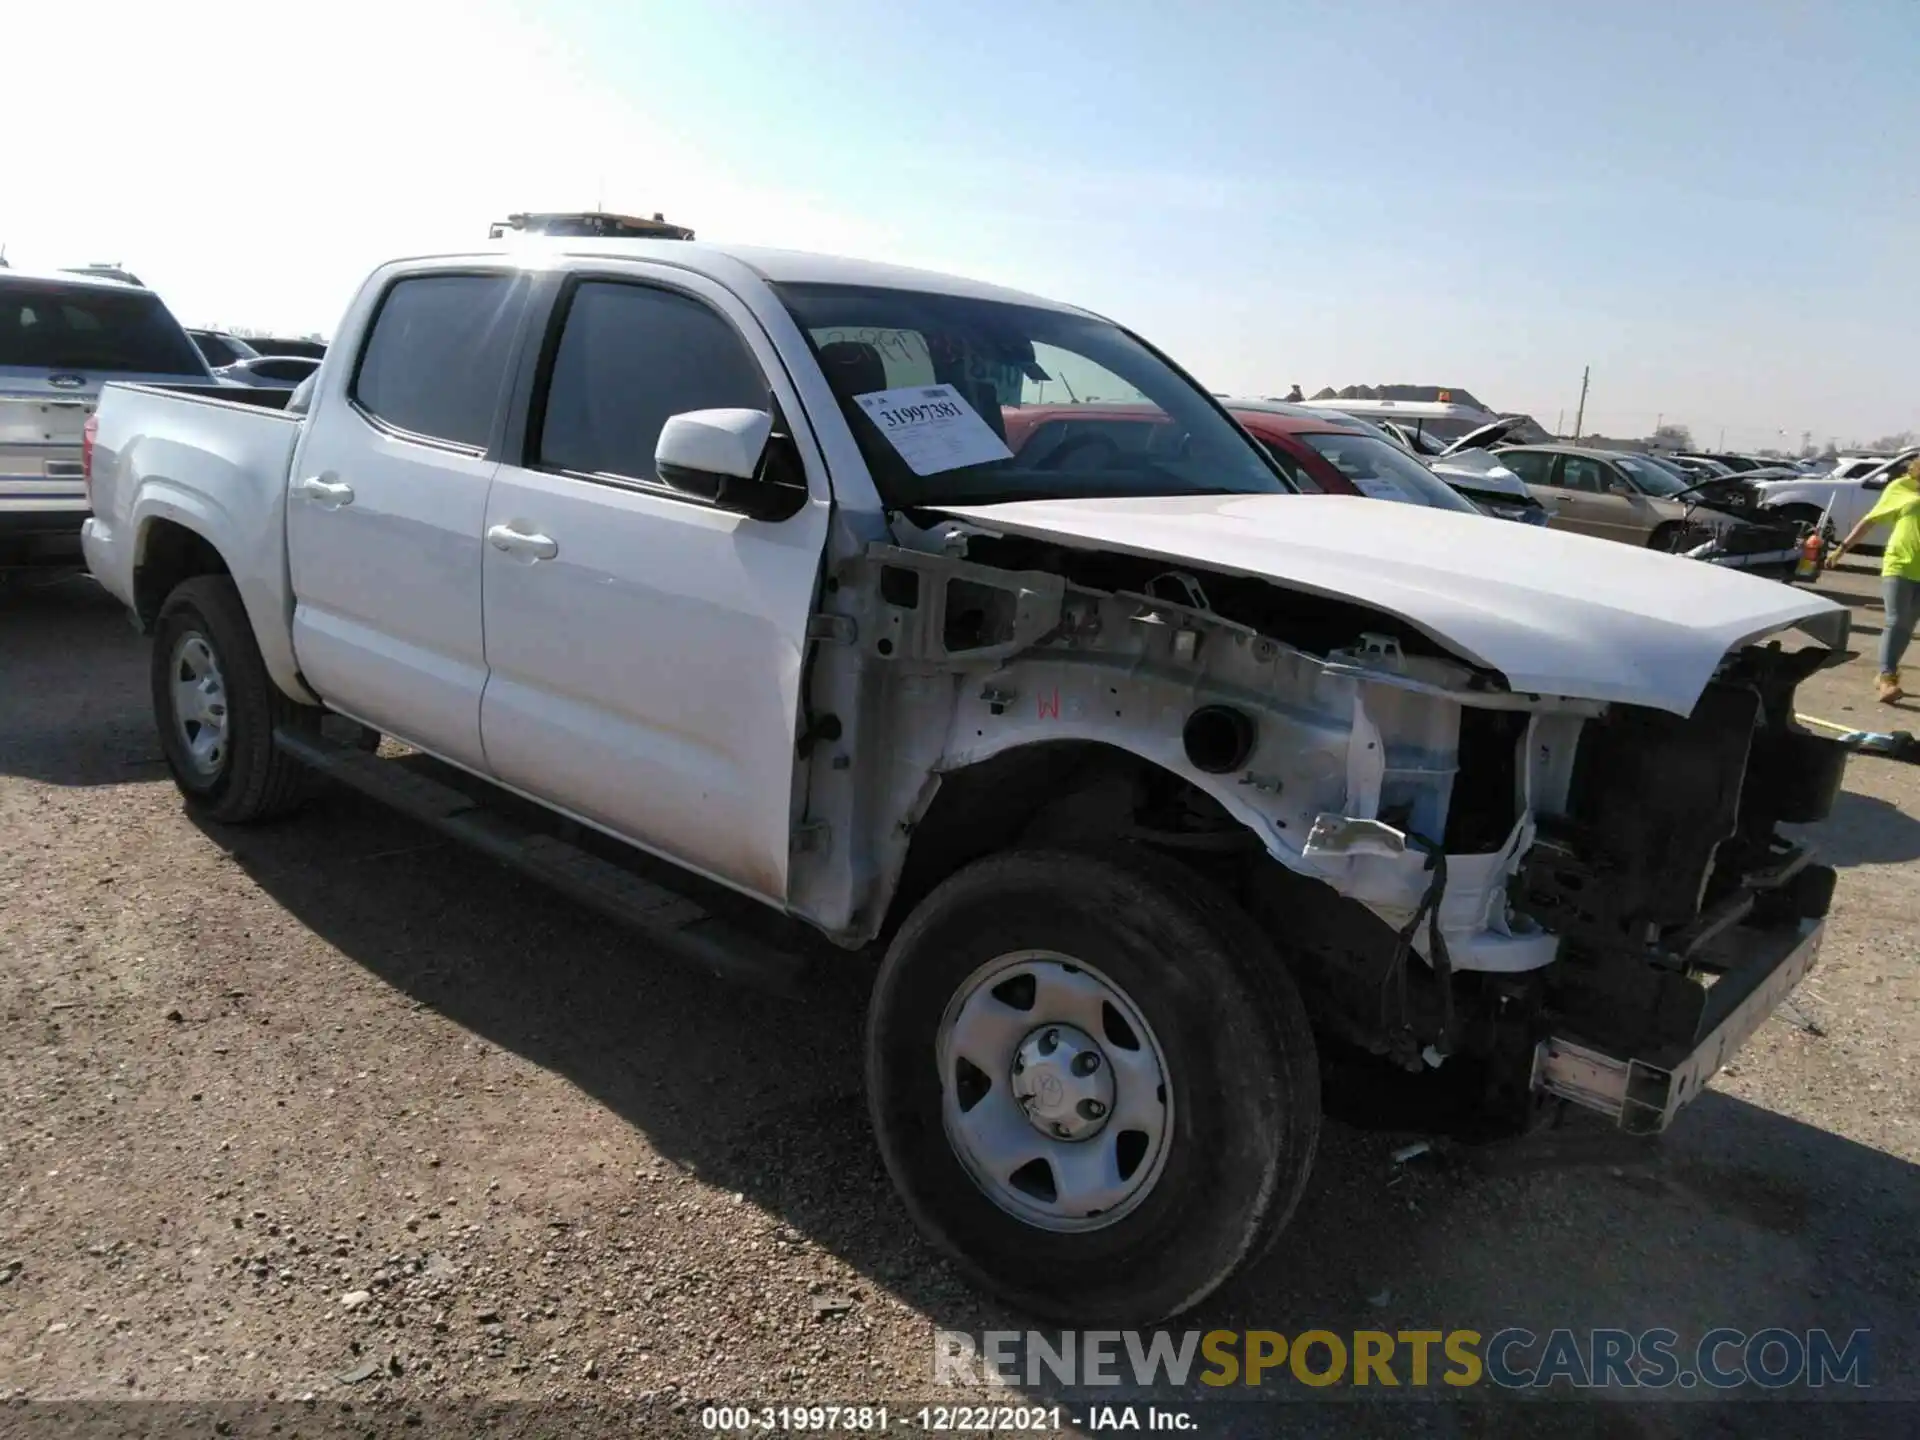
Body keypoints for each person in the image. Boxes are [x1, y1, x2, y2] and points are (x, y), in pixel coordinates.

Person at [1829, 455, 1920, 703]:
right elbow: (1871, 520)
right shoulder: (1900, 488)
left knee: (1907, 626)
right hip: (1899, 563)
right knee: (1897, 620)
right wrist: (1842, 548)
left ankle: (1888, 672)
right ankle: (1886, 677)